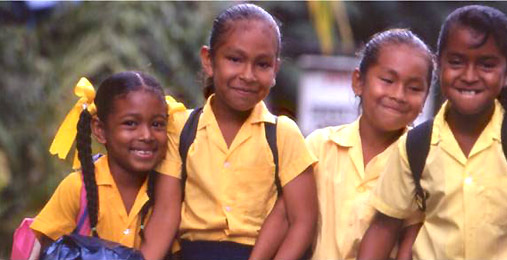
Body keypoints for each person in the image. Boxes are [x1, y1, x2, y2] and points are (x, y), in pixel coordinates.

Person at [358, 5, 507, 260]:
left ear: (506, 74)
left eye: (486, 65)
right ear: (440, 66)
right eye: (456, 62)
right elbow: (384, 226)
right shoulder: (415, 147)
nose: (469, 76)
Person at [254, 28, 436, 260]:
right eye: (388, 80)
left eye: (414, 88)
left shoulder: (421, 161)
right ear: (358, 82)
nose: (398, 94)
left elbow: (410, 246)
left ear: (425, 99)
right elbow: (285, 216)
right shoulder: (319, 146)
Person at [154, 3, 318, 260]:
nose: (247, 75)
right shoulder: (182, 127)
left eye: (262, 64)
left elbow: (303, 221)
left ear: (275, 69)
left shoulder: (282, 134)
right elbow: (165, 214)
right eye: (235, 59)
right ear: (208, 60)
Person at [31, 71, 179, 259]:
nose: (147, 135)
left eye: (157, 124)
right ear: (100, 130)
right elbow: (43, 252)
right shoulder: (78, 189)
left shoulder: (168, 193)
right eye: (131, 123)